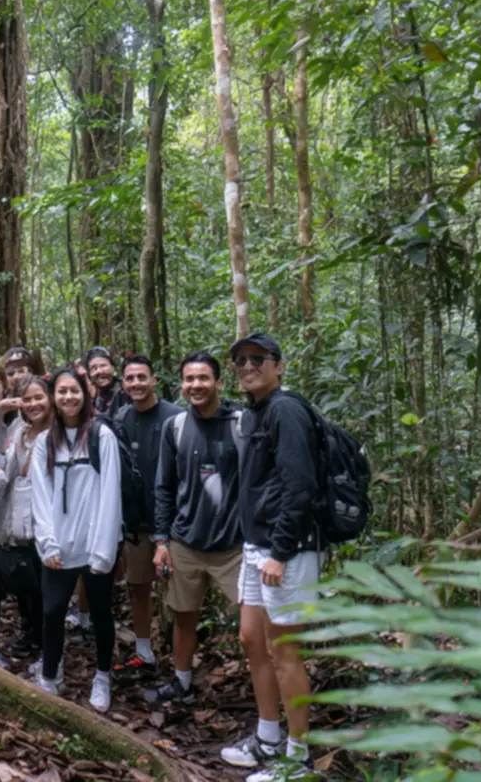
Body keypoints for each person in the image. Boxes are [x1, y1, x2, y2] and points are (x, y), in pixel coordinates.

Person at [220, 333, 321, 780]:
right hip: (257, 545)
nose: (247, 366)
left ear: (278, 365)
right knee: (252, 639)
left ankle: (297, 758)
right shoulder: (254, 412)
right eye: (240, 360)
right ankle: (267, 738)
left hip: (287, 549)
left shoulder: (286, 410)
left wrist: (280, 551)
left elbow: (300, 486)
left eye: (257, 359)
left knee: (284, 650)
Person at [148, 350, 244, 708]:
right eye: (189, 379)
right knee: (183, 616)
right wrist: (161, 541)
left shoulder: (241, 423)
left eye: (203, 378)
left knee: (255, 625)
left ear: (219, 382)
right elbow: (164, 487)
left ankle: (267, 701)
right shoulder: (175, 427)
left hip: (234, 547)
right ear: (181, 384)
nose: (196, 385)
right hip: (186, 542)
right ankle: (182, 683)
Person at [32, 367, 122, 713]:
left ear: (85, 395)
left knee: (100, 611)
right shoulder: (45, 442)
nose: (68, 397)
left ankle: (102, 675)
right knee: (52, 611)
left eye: (74, 391)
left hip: (95, 542)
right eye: (62, 391)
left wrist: (103, 551)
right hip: (59, 547)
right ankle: (50, 675)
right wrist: (47, 543)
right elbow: (40, 497)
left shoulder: (101, 436)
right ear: (53, 397)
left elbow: (111, 493)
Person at [0, 375, 52, 666]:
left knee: (35, 590)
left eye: (39, 398)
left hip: (34, 525)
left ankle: (45, 654)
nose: (33, 404)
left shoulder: (55, 436)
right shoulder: (19, 427)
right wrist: (0, 414)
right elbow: (2, 454)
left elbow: (40, 482)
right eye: (27, 399)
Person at [110, 354, 181, 679]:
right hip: (137, 523)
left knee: (177, 593)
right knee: (138, 587)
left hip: (173, 524)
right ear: (123, 383)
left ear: (154, 381)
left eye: (142, 377)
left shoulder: (175, 417)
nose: (136, 383)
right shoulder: (121, 418)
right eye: (130, 378)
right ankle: (144, 653)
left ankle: (180, 661)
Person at [86, 346, 130, 419]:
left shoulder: (127, 389)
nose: (99, 371)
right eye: (94, 368)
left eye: (103, 365)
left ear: (112, 368)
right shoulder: (92, 398)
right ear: (89, 374)